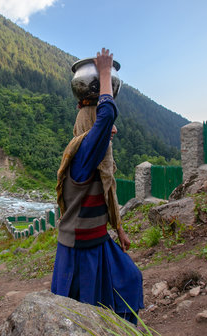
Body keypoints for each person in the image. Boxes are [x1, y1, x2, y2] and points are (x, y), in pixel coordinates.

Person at [51, 48, 144, 324]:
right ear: (90, 126)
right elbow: (106, 119)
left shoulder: (95, 160)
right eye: (105, 128)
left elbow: (108, 190)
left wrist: (120, 229)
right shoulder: (82, 155)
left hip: (99, 241)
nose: (113, 130)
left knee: (131, 278)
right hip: (80, 251)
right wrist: (104, 74)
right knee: (82, 314)